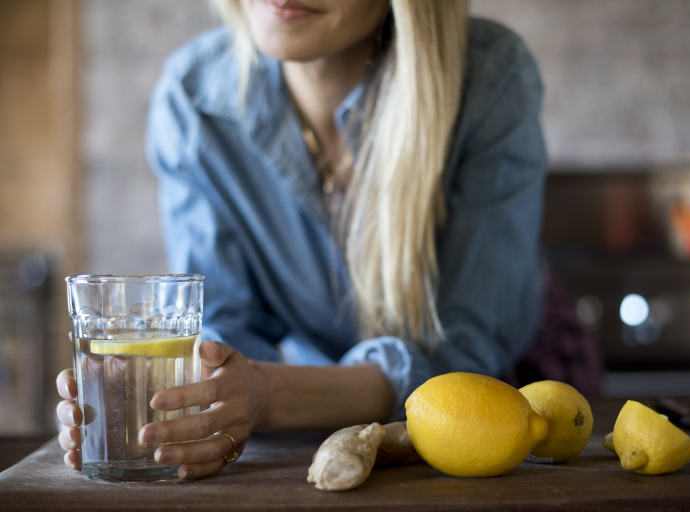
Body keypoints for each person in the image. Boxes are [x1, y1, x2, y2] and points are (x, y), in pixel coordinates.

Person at [56, 0, 547, 481]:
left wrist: (271, 393)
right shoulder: (192, 102)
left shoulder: (490, 78)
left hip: (512, 421)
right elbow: (227, 332)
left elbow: (467, 356)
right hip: (306, 435)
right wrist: (196, 400)